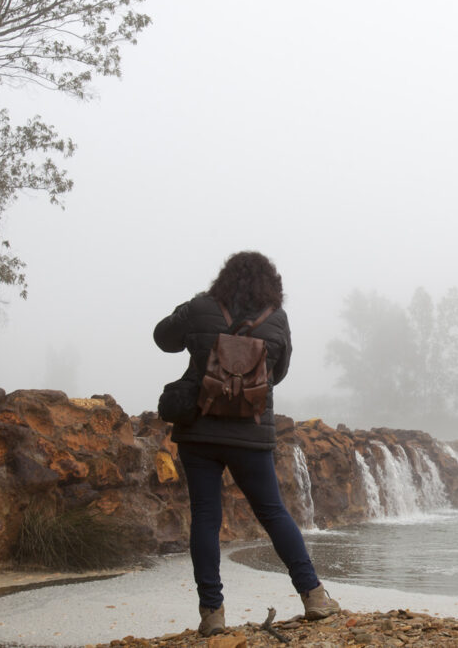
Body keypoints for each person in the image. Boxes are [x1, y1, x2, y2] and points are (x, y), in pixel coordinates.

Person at [153, 251, 340, 636]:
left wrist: (191, 314)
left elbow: (163, 338)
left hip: (200, 432)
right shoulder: (276, 318)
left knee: (206, 517)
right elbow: (278, 372)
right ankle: (314, 597)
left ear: (224, 277)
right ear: (270, 283)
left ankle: (212, 614)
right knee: (273, 513)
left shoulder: (201, 308)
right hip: (250, 434)